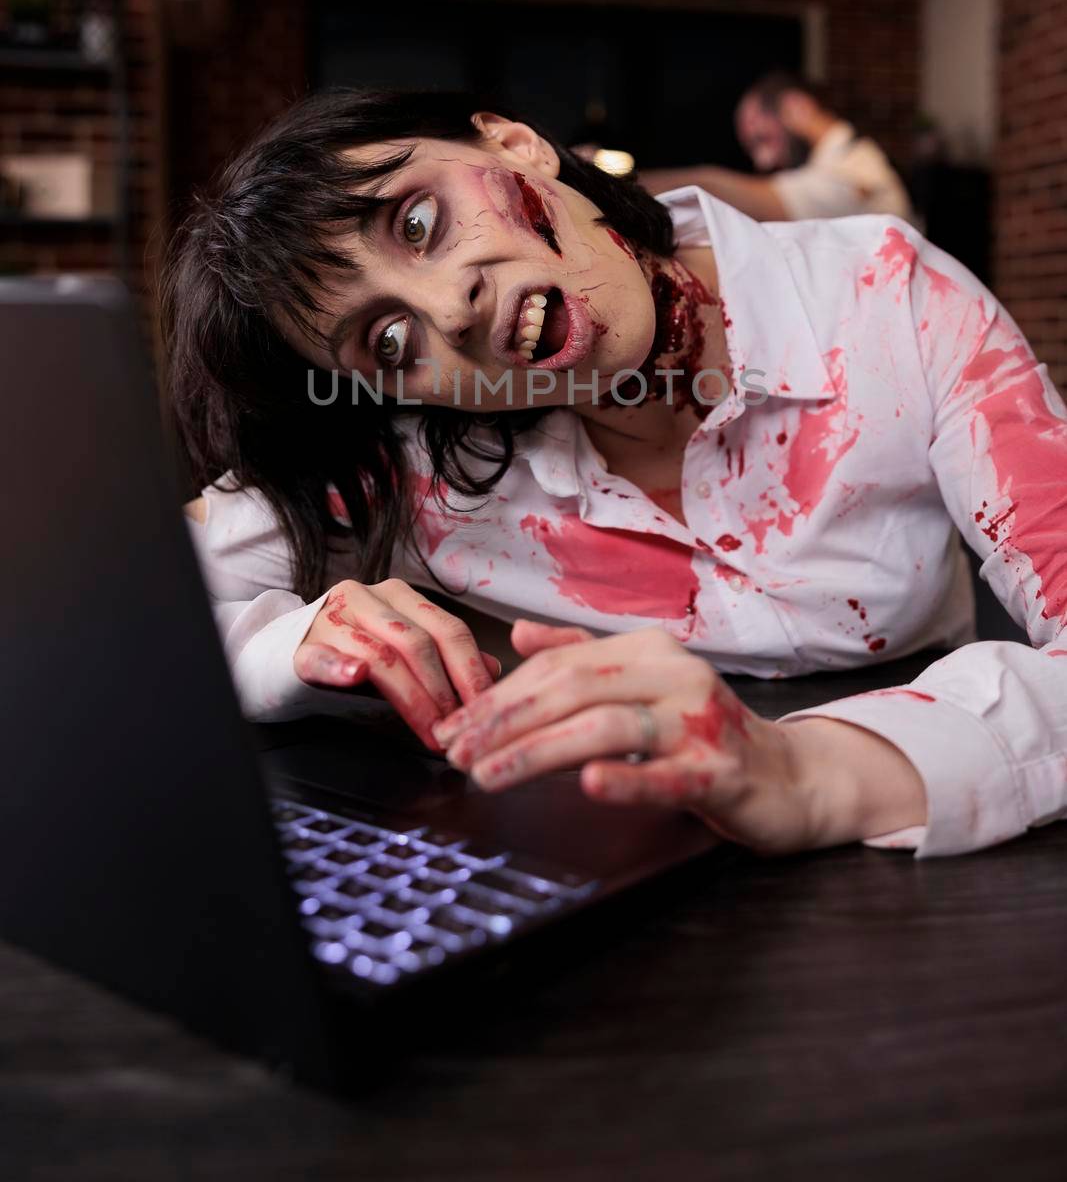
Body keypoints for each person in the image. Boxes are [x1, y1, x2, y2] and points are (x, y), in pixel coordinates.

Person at [164, 88, 1067, 860]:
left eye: (417, 221)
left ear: (515, 144)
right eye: (390, 342)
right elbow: (105, 615)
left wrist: (806, 773)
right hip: (626, 876)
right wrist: (285, 646)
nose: (450, 308)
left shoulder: (887, 299)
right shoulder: (410, 460)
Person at [639, 72, 917, 225]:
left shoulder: (855, 168)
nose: (763, 161)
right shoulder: (842, 159)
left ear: (797, 107)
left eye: (763, 139)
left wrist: (615, 184)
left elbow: (713, 188)